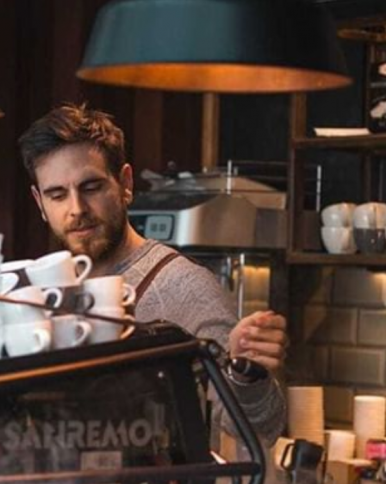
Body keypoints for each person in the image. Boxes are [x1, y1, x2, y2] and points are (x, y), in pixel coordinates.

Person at [18, 103, 288, 446]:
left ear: (125, 184)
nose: (77, 209)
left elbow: (258, 429)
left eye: (91, 188)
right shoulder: (38, 292)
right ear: (40, 203)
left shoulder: (184, 287)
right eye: (57, 195)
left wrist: (248, 373)